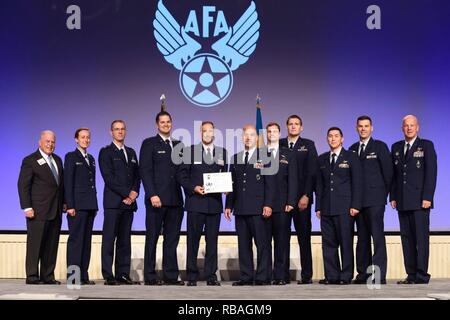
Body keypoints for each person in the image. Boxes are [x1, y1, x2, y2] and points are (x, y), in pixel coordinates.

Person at [178, 121, 227, 286]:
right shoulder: (189, 151)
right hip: (195, 204)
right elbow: (182, 176)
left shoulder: (222, 153)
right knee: (193, 241)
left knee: (212, 241)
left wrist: (226, 187)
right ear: (200, 133)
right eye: (204, 131)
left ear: (214, 133)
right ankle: (192, 276)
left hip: (214, 205)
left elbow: (225, 175)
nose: (207, 133)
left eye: (210, 131)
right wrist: (194, 188)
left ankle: (211, 276)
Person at [225, 125, 275, 286]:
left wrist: (268, 204)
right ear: (242, 138)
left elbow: (270, 183)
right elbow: (232, 184)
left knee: (262, 244)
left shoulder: (266, 156)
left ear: (257, 138)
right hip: (240, 208)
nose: (248, 138)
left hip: (259, 208)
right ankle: (246, 276)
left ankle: (262, 277)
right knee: (243, 245)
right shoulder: (235, 158)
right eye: (245, 135)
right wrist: (228, 206)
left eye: (252, 135)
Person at [390, 115, 437, 284]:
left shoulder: (426, 146)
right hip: (402, 201)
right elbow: (394, 176)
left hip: (419, 201)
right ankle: (411, 275)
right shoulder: (396, 147)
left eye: (412, 125)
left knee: (421, 240)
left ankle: (422, 275)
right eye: (406, 126)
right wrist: (393, 196)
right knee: (407, 239)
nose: (409, 128)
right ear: (402, 128)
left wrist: (427, 197)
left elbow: (431, 173)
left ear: (417, 128)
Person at [139, 111, 185, 285]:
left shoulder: (179, 145)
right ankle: (150, 276)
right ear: (157, 125)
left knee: (172, 240)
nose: (166, 124)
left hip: (176, 201)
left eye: (168, 122)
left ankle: (171, 276)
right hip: (156, 201)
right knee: (152, 238)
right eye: (162, 122)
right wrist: (152, 194)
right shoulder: (149, 143)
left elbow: (183, 173)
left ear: (171, 123)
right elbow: (145, 170)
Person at [316, 127, 363, 285]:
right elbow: (320, 185)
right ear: (327, 139)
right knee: (328, 244)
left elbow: (357, 182)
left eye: (336, 136)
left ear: (342, 139)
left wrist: (356, 204)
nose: (333, 139)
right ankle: (332, 275)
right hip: (327, 208)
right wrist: (318, 207)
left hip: (345, 207)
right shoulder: (322, 159)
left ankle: (345, 275)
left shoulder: (351, 156)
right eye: (330, 136)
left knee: (345, 242)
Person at [349, 116, 392, 285]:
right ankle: (363, 275)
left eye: (366, 126)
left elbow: (388, 174)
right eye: (360, 126)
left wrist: (383, 195)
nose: (363, 129)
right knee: (362, 239)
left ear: (371, 128)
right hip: (358, 202)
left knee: (377, 238)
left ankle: (378, 275)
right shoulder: (352, 149)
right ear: (356, 128)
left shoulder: (380, 147)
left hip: (375, 201)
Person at [18, 130, 64, 285]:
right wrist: (26, 207)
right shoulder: (30, 160)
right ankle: (32, 276)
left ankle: (48, 276)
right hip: (37, 211)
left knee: (51, 246)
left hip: (55, 210)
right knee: (35, 244)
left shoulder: (57, 160)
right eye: (47, 141)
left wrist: (64, 203)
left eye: (52, 142)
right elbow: (23, 186)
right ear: (40, 142)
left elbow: (60, 186)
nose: (50, 144)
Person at [99, 120, 140, 285]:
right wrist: (126, 193)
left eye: (122, 129)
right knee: (109, 239)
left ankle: (122, 274)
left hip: (129, 204)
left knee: (125, 241)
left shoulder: (131, 152)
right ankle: (108, 275)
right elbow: (108, 177)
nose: (120, 132)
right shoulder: (106, 152)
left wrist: (134, 193)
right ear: (111, 132)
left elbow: (137, 175)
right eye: (117, 129)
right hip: (113, 203)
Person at [280, 115, 318, 284]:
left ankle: (306, 275)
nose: (293, 127)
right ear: (286, 126)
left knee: (304, 238)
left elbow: (312, 172)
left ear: (301, 128)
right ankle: (282, 275)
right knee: (282, 238)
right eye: (291, 124)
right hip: (282, 201)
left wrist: (307, 195)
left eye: (297, 124)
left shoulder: (308, 145)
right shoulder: (278, 144)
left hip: (302, 200)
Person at [64, 128, 98, 285]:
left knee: (86, 242)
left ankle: (83, 276)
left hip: (90, 206)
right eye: (83, 137)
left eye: (88, 137)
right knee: (76, 242)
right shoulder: (71, 157)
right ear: (76, 139)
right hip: (76, 206)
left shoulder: (91, 158)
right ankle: (73, 277)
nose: (86, 140)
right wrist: (70, 205)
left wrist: (94, 205)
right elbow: (68, 182)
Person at [266, 122, 298, 285]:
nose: (272, 134)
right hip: (264, 206)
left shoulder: (288, 153)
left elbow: (293, 179)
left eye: (275, 131)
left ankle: (280, 275)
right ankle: (266, 274)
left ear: (280, 134)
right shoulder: (259, 153)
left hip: (283, 205)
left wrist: (291, 201)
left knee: (281, 242)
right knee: (265, 243)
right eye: (269, 131)